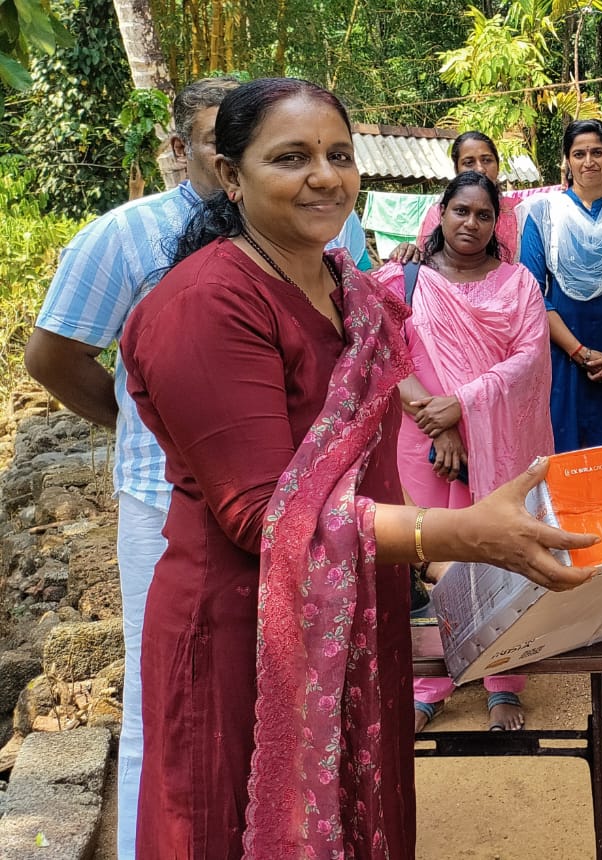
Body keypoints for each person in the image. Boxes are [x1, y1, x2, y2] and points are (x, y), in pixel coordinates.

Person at [118, 77, 595, 859]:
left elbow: (364, 464)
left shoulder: (354, 295)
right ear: (231, 175)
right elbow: (265, 514)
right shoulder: (207, 304)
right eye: (291, 156)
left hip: (356, 615)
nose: (325, 175)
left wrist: (440, 561)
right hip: (247, 629)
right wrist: (462, 534)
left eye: (338, 155)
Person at [22, 76, 240, 860]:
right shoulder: (122, 238)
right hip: (161, 496)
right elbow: (54, 357)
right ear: (181, 150)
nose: (237, 152)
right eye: (221, 137)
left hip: (279, 501)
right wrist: (133, 423)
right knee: (162, 695)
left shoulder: (310, 230)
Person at [371, 171, 554, 732]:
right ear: (441, 214)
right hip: (420, 438)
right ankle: (430, 680)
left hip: (502, 443)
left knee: (502, 554)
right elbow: (385, 355)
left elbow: (527, 359)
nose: (469, 223)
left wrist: (466, 407)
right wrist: (440, 422)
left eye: (482, 215)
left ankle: (504, 681)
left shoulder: (518, 284)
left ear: (495, 223)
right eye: (460, 212)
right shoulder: (401, 283)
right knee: (428, 556)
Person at [520, 118, 602, 452]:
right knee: (567, 455)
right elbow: (532, 294)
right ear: (567, 161)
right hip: (563, 354)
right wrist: (578, 352)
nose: (589, 161)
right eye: (579, 154)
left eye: (597, 152)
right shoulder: (543, 216)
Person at [387, 131, 520, 264]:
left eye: (486, 160)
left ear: (498, 166)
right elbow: (424, 258)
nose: (480, 169)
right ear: (457, 170)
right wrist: (409, 252)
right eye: (469, 162)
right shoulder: (438, 212)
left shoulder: (519, 212)